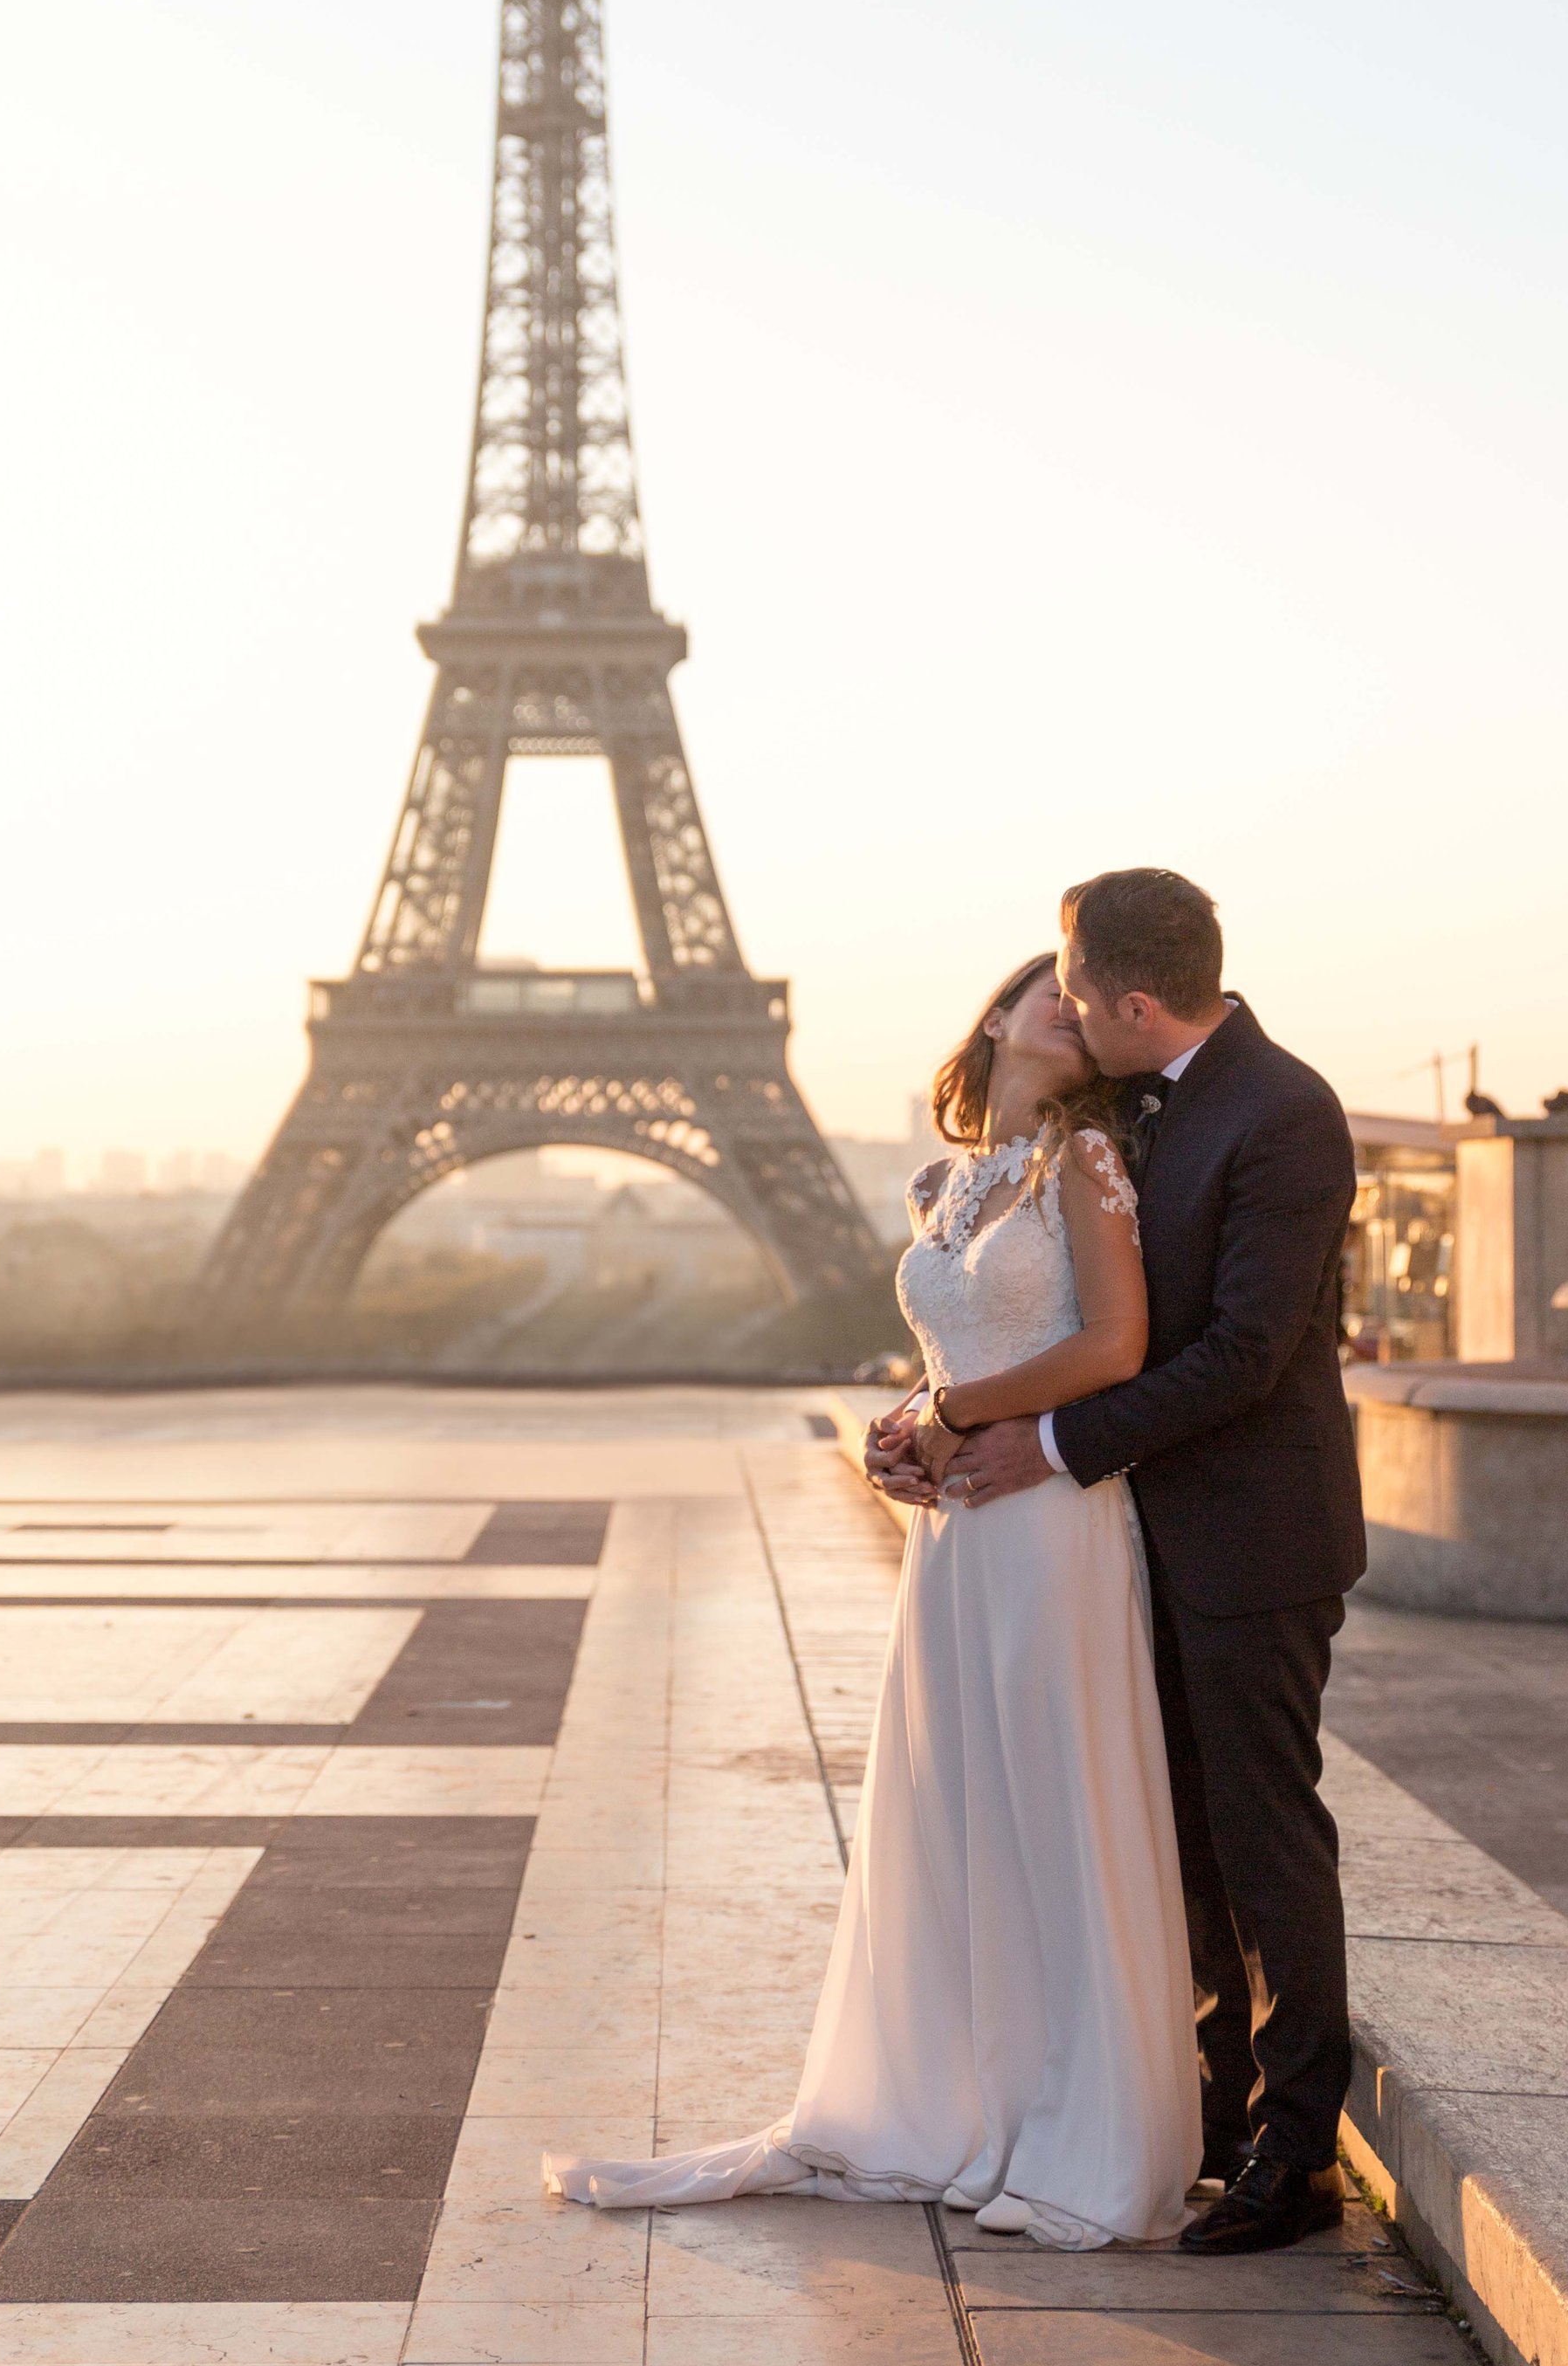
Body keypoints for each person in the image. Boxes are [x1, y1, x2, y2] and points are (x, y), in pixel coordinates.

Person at [547, 952, 1200, 2248]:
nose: (1067, 1003)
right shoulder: (943, 1182)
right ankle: (974, 2102)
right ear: (997, 1017)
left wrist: (953, 1411)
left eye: (1083, 992)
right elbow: (949, 1349)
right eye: (1044, 986)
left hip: (1047, 1519)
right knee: (964, 1806)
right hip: (957, 1532)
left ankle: (1084, 2130)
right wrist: (898, 1428)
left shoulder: (1087, 1163)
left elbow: (1113, 1347)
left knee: (1051, 1796)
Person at [871, 868, 1365, 2257]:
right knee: (1178, 1838)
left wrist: (1052, 1437)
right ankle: (1207, 2104)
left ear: (1134, 1000)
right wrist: (935, 1415)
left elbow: (1243, 1356)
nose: (1070, 1012)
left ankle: (1297, 2147)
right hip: (1127, 1534)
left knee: (1264, 1839)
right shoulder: (1135, 1110)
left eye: (1082, 992)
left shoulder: (1282, 1111)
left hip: (1251, 1535)